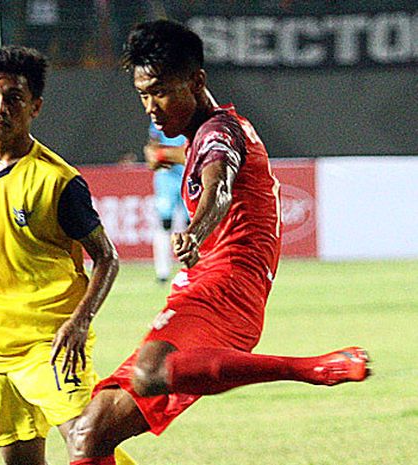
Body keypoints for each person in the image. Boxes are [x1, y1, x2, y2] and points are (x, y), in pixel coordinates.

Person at [66, 20, 371, 465]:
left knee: (150, 375)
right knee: (88, 435)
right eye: (143, 94)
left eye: (161, 90)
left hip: (226, 287)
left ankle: (308, 368)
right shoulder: (209, 133)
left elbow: (219, 188)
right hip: (213, 285)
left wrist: (197, 230)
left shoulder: (219, 133)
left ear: (197, 80)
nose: (151, 107)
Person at [0, 46, 135, 465]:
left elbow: (107, 258)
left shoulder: (58, 181)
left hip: (52, 341)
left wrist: (80, 321)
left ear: (35, 106)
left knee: (87, 442)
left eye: (14, 98)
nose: (0, 107)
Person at [143, 121, 187, 283]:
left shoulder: (192, 115)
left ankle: (194, 267)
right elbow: (151, 147)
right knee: (165, 223)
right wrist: (153, 156)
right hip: (167, 176)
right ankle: (162, 272)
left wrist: (165, 155)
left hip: (188, 173)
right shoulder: (159, 119)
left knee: (193, 222)